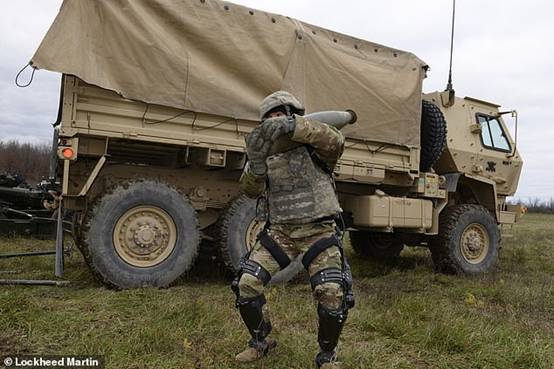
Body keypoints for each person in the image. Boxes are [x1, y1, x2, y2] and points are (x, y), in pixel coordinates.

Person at [231, 91, 355, 369]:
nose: (276, 120)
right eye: (271, 116)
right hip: (280, 233)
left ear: (293, 114)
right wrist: (257, 163)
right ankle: (260, 342)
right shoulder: (265, 151)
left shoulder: (315, 143)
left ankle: (327, 357)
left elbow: (336, 140)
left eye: (282, 114)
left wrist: (295, 128)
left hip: (318, 231)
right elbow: (250, 191)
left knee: (331, 292)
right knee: (247, 285)